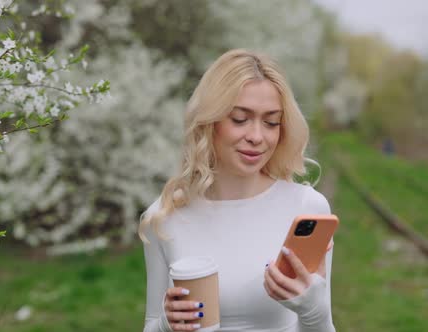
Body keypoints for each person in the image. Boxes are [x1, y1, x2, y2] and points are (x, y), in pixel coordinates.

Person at [138, 49, 336, 332]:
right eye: (240, 119)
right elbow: (150, 324)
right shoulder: (162, 216)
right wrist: (165, 326)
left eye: (270, 122)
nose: (257, 137)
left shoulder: (307, 208)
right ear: (210, 122)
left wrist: (315, 313)